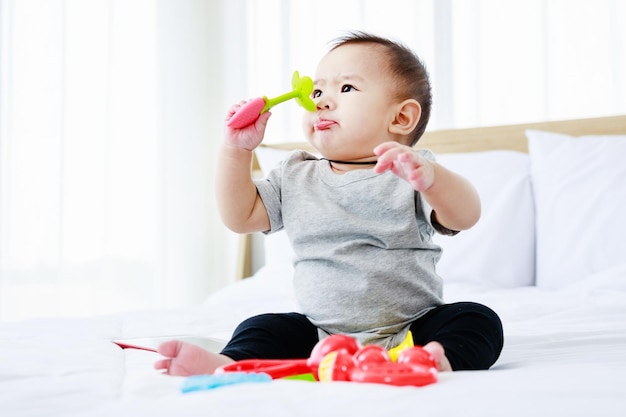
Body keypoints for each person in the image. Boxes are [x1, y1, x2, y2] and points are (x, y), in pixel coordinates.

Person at [154, 31, 503, 376]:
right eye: (317, 90)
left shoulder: (412, 171)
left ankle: (434, 359)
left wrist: (431, 178)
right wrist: (236, 150)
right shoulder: (295, 174)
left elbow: (466, 215)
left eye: (346, 88)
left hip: (411, 330)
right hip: (320, 335)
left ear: (400, 118)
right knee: (261, 327)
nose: (320, 101)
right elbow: (239, 217)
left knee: (477, 320)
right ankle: (232, 363)